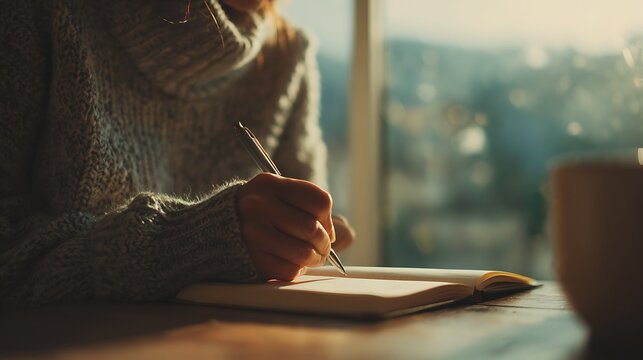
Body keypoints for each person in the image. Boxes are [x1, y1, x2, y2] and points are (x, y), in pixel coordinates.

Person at [0, 0, 355, 306]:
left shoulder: (286, 53)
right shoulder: (36, 14)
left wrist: (301, 238)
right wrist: (194, 242)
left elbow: (299, 253)